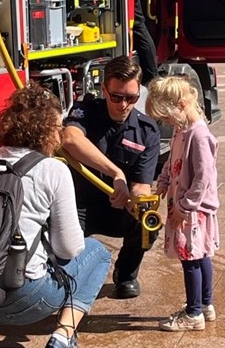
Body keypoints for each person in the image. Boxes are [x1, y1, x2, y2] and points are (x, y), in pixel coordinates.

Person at [0, 84, 111, 348]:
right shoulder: (53, 169)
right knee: (98, 252)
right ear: (46, 128)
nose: (61, 133)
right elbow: (69, 247)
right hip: (26, 299)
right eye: (59, 125)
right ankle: (64, 336)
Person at [60, 55, 160, 299]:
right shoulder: (85, 110)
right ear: (104, 89)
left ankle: (125, 275)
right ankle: (60, 278)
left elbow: (142, 184)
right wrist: (116, 173)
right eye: (116, 97)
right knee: (60, 250)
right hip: (79, 204)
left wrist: (135, 200)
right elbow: (70, 139)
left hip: (117, 208)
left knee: (147, 222)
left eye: (131, 98)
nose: (123, 104)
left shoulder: (147, 131)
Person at [145, 76, 220, 332]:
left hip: (192, 209)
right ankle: (205, 304)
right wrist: (165, 179)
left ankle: (193, 312)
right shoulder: (183, 129)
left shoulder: (198, 135)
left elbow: (203, 177)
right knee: (201, 256)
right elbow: (172, 159)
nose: (166, 123)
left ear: (180, 104)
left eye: (166, 117)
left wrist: (184, 207)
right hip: (187, 205)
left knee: (190, 259)